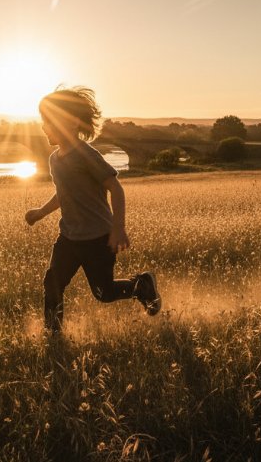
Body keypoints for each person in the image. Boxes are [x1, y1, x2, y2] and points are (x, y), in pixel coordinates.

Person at [25, 87, 161, 335]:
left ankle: (140, 285)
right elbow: (64, 193)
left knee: (104, 293)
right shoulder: (55, 159)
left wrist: (118, 229)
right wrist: (41, 212)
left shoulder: (86, 155)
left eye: (47, 121)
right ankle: (53, 335)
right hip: (69, 237)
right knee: (52, 283)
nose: (43, 127)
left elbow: (115, 188)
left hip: (98, 238)